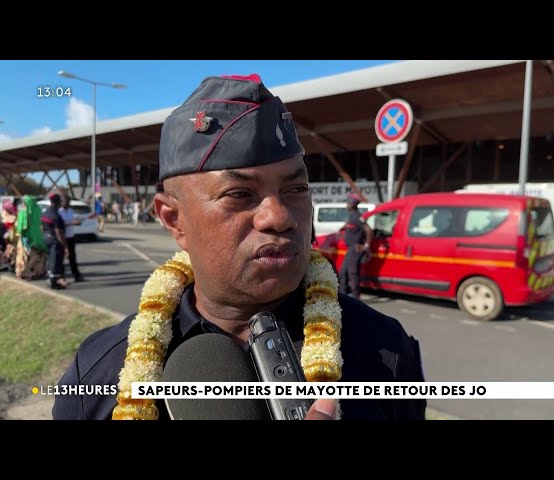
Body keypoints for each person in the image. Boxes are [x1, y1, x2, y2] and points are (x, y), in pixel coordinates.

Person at [53, 74, 426, 421]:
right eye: (240, 194)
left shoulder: (384, 352)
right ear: (173, 219)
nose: (278, 217)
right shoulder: (102, 372)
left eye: (295, 190)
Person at [338, 193, 373, 299]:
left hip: (355, 249)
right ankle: (343, 296)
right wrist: (341, 229)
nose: (346, 205)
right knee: (343, 272)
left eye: (348, 203)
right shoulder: (352, 215)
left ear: (353, 204)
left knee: (352, 273)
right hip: (351, 249)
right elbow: (349, 224)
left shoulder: (357, 216)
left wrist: (366, 246)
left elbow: (368, 230)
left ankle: (356, 298)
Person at [14, 195, 48, 281]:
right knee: (38, 255)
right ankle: (37, 272)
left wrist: (19, 233)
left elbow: (21, 226)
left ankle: (24, 273)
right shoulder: (38, 210)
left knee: (25, 256)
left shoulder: (23, 211)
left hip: (26, 237)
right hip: (38, 238)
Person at [41, 193, 68, 289]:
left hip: (45, 238)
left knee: (49, 259)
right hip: (54, 240)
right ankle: (54, 281)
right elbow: (58, 232)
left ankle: (51, 277)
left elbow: (41, 227)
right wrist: (65, 245)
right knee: (56, 260)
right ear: (58, 202)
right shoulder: (56, 215)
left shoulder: (45, 213)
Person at [59, 194, 85, 282]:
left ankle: (77, 276)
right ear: (61, 202)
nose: (68, 203)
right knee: (61, 258)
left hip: (70, 236)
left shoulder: (70, 210)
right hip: (62, 238)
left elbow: (73, 220)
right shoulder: (59, 211)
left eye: (69, 202)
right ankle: (61, 276)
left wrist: (77, 222)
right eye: (66, 201)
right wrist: (71, 223)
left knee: (72, 257)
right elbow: (59, 225)